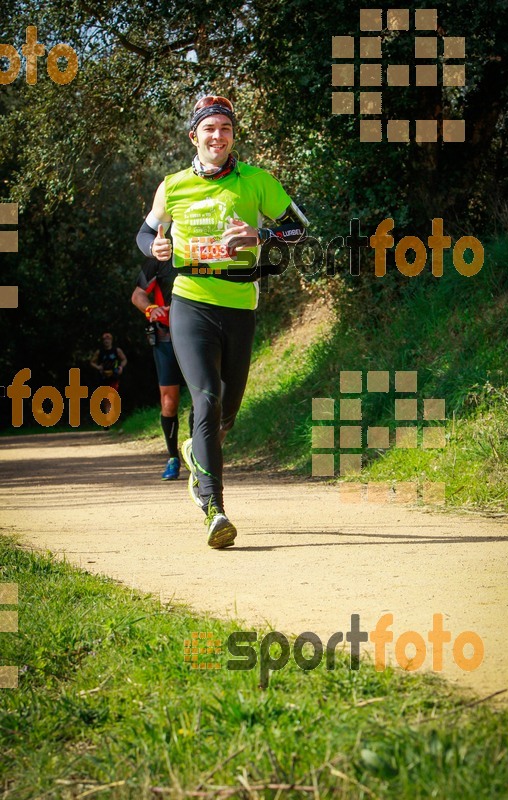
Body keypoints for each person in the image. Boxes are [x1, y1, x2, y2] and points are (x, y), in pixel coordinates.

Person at [136, 95, 307, 549]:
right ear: (195, 136)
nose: (218, 136)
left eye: (225, 129)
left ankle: (194, 450)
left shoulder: (256, 181)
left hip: (240, 305)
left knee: (226, 412)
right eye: (209, 129)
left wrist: (262, 233)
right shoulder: (172, 185)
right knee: (206, 399)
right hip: (190, 302)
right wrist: (154, 248)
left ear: (233, 137)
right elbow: (146, 231)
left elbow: (299, 227)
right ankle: (215, 508)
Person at [131, 257, 193, 481]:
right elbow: (138, 295)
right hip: (165, 335)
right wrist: (150, 309)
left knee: (202, 395)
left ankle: (198, 455)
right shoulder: (158, 260)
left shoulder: (201, 250)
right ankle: (172, 457)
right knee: (169, 402)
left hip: (196, 334)